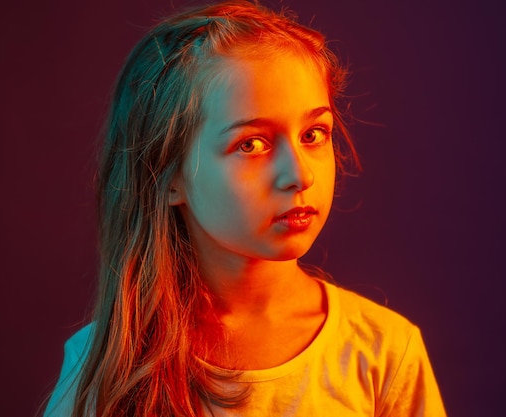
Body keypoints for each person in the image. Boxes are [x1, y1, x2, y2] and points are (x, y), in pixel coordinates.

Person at [43, 1, 446, 416]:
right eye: (250, 144)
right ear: (167, 177)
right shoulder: (105, 365)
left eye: (314, 134)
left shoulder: (384, 353)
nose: (299, 175)